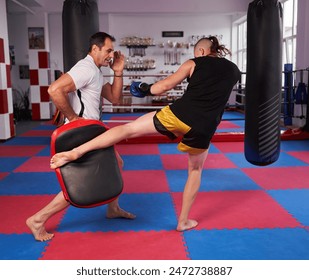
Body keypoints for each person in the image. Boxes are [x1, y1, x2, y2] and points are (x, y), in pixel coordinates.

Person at [50, 36, 241, 232]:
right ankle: (183, 221)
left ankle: (77, 151)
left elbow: (164, 87)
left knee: (129, 129)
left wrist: (146, 89)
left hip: (180, 114)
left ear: (200, 52)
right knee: (195, 171)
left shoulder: (194, 62)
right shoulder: (234, 70)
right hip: (206, 126)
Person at [26, 32, 135, 242]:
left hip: (93, 131)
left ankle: (112, 208)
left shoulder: (96, 71)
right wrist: (75, 119)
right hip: (82, 133)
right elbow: (55, 89)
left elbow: (114, 97)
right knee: (81, 185)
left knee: (117, 163)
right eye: (108, 50)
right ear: (95, 49)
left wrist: (118, 72)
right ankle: (38, 219)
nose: (111, 55)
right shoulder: (85, 68)